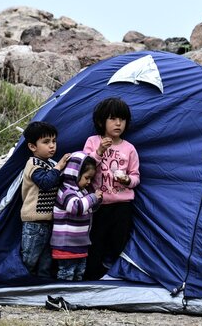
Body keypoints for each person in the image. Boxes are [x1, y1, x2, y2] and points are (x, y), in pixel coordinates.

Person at [83, 97, 140, 280]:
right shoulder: (93, 142)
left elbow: (136, 176)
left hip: (122, 205)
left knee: (119, 241)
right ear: (101, 122)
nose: (118, 123)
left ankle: (115, 275)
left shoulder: (129, 148)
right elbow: (84, 168)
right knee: (96, 240)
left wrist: (127, 180)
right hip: (98, 203)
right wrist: (99, 152)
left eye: (122, 120)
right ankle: (92, 274)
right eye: (113, 119)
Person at [20, 121, 71, 277]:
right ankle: (22, 284)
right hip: (34, 224)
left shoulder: (50, 164)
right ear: (32, 147)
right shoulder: (33, 164)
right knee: (29, 259)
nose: (52, 146)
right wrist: (59, 166)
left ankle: (40, 288)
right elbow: (46, 183)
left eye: (54, 141)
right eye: (46, 142)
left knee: (46, 262)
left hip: (49, 222)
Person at [51, 152, 103, 281]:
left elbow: (88, 208)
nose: (89, 182)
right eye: (87, 178)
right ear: (75, 174)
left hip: (80, 244)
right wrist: (92, 197)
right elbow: (77, 207)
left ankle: (73, 298)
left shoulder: (83, 192)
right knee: (67, 273)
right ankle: (61, 296)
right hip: (66, 245)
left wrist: (97, 200)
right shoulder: (65, 191)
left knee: (79, 273)